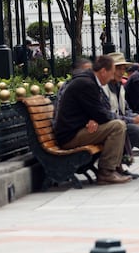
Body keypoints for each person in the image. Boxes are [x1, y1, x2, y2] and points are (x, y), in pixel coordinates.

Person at [52, 55, 131, 185]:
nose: (112, 77)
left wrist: (93, 119)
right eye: (111, 73)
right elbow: (100, 113)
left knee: (117, 124)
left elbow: (94, 110)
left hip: (77, 130)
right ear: (103, 71)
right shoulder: (86, 84)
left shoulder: (89, 81)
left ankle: (113, 168)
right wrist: (96, 118)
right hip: (69, 136)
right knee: (118, 126)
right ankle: (106, 172)